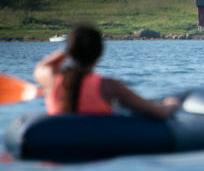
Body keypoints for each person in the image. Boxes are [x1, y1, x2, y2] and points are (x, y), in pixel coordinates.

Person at [34, 24, 180, 119]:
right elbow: (158, 113)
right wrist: (172, 104)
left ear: (70, 51)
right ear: (99, 53)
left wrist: (66, 52)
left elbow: (42, 66)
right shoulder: (109, 86)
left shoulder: (52, 79)